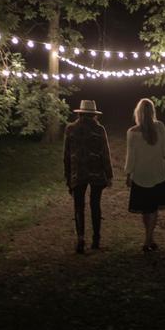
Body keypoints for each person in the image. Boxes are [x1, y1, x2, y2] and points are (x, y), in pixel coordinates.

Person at [64, 99, 113, 254]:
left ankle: (80, 239)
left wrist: (68, 176)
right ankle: (96, 240)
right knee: (95, 204)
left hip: (77, 172)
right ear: (93, 114)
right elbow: (105, 153)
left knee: (78, 205)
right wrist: (109, 174)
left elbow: (66, 155)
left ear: (80, 113)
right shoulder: (99, 129)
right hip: (96, 171)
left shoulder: (70, 129)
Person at [125, 98, 165, 252]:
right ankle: (149, 238)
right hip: (158, 173)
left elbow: (130, 157)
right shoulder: (160, 127)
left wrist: (128, 174)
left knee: (145, 208)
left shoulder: (132, 132)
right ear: (152, 112)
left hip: (140, 175)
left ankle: (148, 238)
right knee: (154, 208)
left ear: (137, 113)